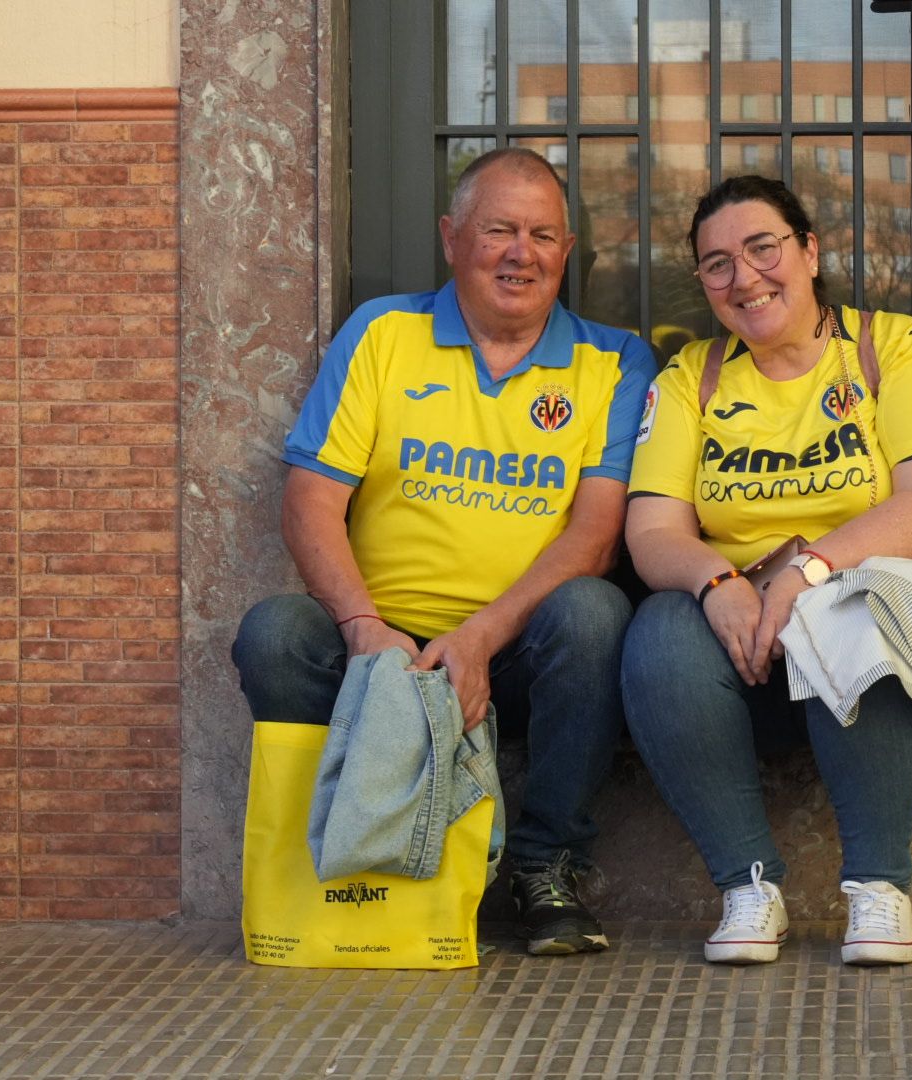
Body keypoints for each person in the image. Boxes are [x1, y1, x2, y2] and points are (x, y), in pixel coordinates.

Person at [233, 148, 654, 956]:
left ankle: (545, 867)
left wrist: (481, 639)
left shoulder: (617, 360)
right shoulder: (384, 332)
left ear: (567, 253)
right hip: (378, 644)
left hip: (517, 650)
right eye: (497, 229)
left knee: (596, 615)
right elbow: (310, 498)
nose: (519, 253)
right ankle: (324, 862)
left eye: (541, 235)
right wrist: (362, 627)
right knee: (275, 636)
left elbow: (596, 535)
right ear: (451, 238)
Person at [621, 175, 912, 966]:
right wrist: (717, 584)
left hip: (861, 618)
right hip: (745, 649)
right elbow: (651, 529)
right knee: (658, 633)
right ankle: (747, 887)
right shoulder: (691, 378)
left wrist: (804, 572)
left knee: (859, 607)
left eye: (762, 248)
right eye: (716, 265)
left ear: (809, 252)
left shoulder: (896, 346)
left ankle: (880, 889)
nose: (743, 278)